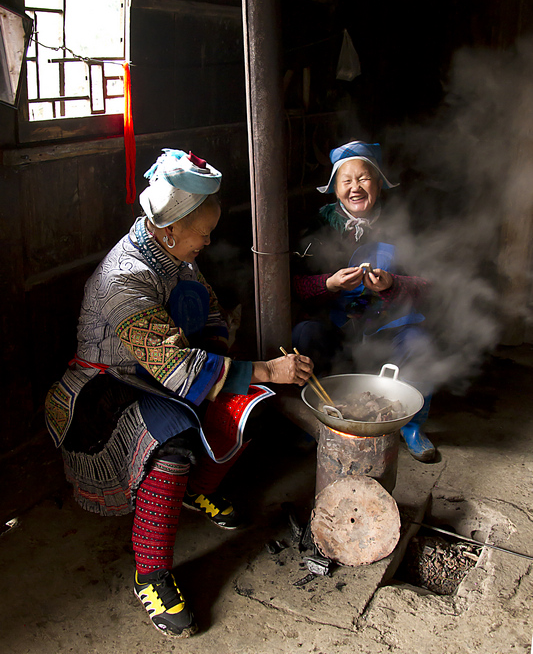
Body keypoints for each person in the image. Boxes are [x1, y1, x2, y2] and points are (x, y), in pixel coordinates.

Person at [45, 148, 313, 639]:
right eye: (203, 233)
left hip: (163, 377)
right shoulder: (124, 277)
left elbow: (209, 317)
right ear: (170, 229)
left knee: (249, 404)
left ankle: (197, 491)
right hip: (106, 389)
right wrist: (267, 368)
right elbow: (174, 368)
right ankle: (151, 575)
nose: (208, 243)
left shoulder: (175, 258)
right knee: (172, 443)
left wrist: (237, 369)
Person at [291, 140, 436, 463]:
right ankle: (313, 420)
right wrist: (328, 283)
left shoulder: (403, 224)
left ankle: (411, 426)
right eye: (346, 181)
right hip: (338, 328)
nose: (355, 187)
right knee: (305, 334)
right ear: (335, 188)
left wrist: (392, 284)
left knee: (420, 343)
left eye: (364, 178)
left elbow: (429, 285)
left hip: (388, 326)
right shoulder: (317, 226)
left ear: (379, 182)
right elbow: (295, 287)